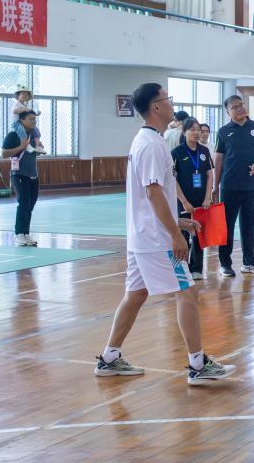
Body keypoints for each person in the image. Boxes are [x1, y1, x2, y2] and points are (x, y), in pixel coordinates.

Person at [94, 83, 236, 385]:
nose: (172, 103)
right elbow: (153, 193)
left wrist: (179, 222)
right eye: (167, 99)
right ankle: (198, 365)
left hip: (143, 236)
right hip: (156, 240)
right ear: (156, 107)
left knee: (135, 294)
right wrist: (174, 234)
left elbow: (153, 197)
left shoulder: (148, 141)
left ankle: (109, 358)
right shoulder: (151, 145)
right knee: (187, 292)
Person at [213, 95, 254, 277]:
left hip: (251, 186)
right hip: (229, 186)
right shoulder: (223, 132)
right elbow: (218, 158)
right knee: (227, 227)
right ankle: (225, 264)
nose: (240, 109)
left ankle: (249, 263)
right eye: (235, 107)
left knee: (249, 226)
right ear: (228, 111)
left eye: (241, 105)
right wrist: (215, 185)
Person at [172, 118, 215, 280]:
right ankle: (181, 268)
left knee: (198, 234)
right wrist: (184, 201)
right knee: (182, 234)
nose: (197, 133)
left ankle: (197, 268)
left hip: (201, 201)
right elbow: (172, 179)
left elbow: (209, 175)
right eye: (192, 129)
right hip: (182, 201)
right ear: (184, 132)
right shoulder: (177, 153)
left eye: (198, 129)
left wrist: (208, 197)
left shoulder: (204, 151)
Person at [2, 110, 41, 246]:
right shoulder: (14, 135)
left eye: (34, 119)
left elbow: (32, 151)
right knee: (24, 203)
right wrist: (21, 147)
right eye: (30, 119)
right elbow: (4, 154)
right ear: (22, 121)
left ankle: (25, 233)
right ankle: (19, 234)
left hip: (33, 174)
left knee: (30, 205)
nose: (33, 121)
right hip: (19, 174)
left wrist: (38, 149)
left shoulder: (34, 135)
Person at [11, 86, 46, 154]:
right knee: (22, 131)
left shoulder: (25, 104)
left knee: (36, 130)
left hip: (26, 123)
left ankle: (37, 146)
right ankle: (26, 145)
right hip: (17, 123)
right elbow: (15, 111)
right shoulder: (16, 103)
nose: (25, 95)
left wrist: (35, 114)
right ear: (18, 95)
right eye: (23, 93)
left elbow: (29, 114)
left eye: (26, 94)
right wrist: (23, 109)